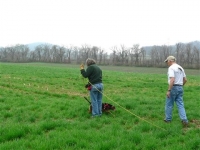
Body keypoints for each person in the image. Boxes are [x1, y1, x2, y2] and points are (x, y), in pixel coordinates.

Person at [164, 56, 188, 127]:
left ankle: (168, 119)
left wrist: (169, 90)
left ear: (170, 60)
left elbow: (172, 79)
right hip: (180, 87)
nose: (167, 63)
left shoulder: (171, 68)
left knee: (169, 104)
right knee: (180, 104)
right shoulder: (180, 68)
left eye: (167, 61)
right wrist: (180, 86)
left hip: (173, 87)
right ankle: (184, 120)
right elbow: (185, 80)